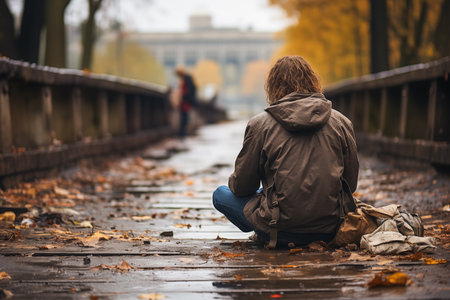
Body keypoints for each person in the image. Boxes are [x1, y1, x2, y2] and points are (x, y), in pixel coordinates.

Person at [212, 56, 359, 248]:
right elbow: (351, 183)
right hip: (330, 229)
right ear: (312, 80)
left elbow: (241, 187)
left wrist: (263, 192)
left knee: (220, 194)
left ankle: (264, 232)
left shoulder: (260, 124)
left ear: (273, 86)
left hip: (278, 229)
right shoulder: (341, 122)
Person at [175, 67, 197, 139]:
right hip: (185, 100)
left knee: (184, 117)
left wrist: (183, 97)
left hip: (185, 100)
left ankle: (182, 134)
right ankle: (182, 134)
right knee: (184, 117)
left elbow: (189, 90)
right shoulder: (187, 78)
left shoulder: (186, 79)